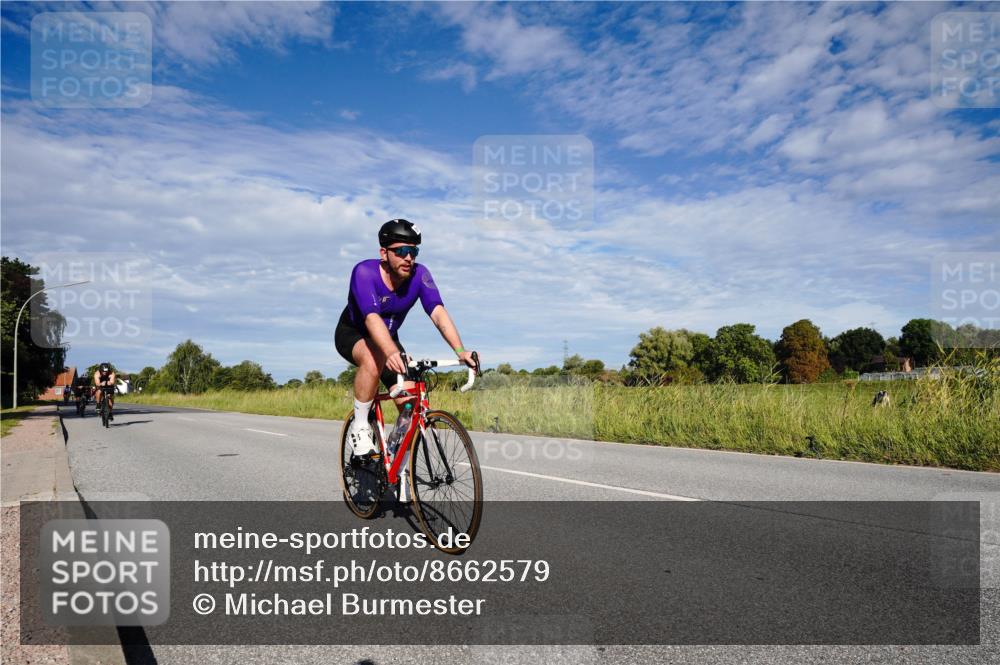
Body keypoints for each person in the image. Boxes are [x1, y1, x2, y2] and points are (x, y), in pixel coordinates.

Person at [335, 219, 477, 457]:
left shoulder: (420, 275)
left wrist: (460, 351)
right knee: (375, 356)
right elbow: (371, 319)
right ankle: (360, 426)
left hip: (388, 338)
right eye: (401, 251)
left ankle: (393, 455)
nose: (408, 258)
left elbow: (438, 313)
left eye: (413, 251)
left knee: (410, 406)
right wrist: (391, 352)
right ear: (384, 252)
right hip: (354, 333)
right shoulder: (364, 272)